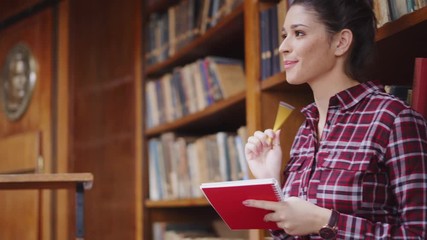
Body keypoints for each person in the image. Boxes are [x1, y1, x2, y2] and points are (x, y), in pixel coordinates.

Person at [243, 0, 427, 239]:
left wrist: (325, 221)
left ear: (341, 42)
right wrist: (270, 181)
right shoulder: (305, 130)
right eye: (283, 35)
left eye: (298, 33)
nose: (283, 47)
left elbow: (419, 232)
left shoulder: (393, 119)